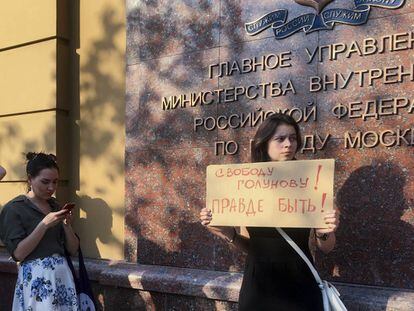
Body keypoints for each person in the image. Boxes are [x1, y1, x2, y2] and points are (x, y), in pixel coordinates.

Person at [200, 113, 339, 311]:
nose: (288, 144)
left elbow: (326, 248)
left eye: (292, 138)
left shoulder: (312, 183)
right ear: (264, 143)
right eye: (280, 139)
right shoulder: (246, 184)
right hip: (258, 286)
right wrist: (226, 232)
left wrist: (324, 232)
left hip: (300, 283)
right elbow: (251, 245)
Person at [0, 152, 79, 310]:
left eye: (55, 182)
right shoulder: (14, 209)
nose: (51, 187)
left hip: (62, 277)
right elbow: (18, 254)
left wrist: (67, 225)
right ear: (30, 179)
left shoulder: (55, 206)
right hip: (37, 279)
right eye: (45, 182)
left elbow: (73, 249)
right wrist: (43, 225)